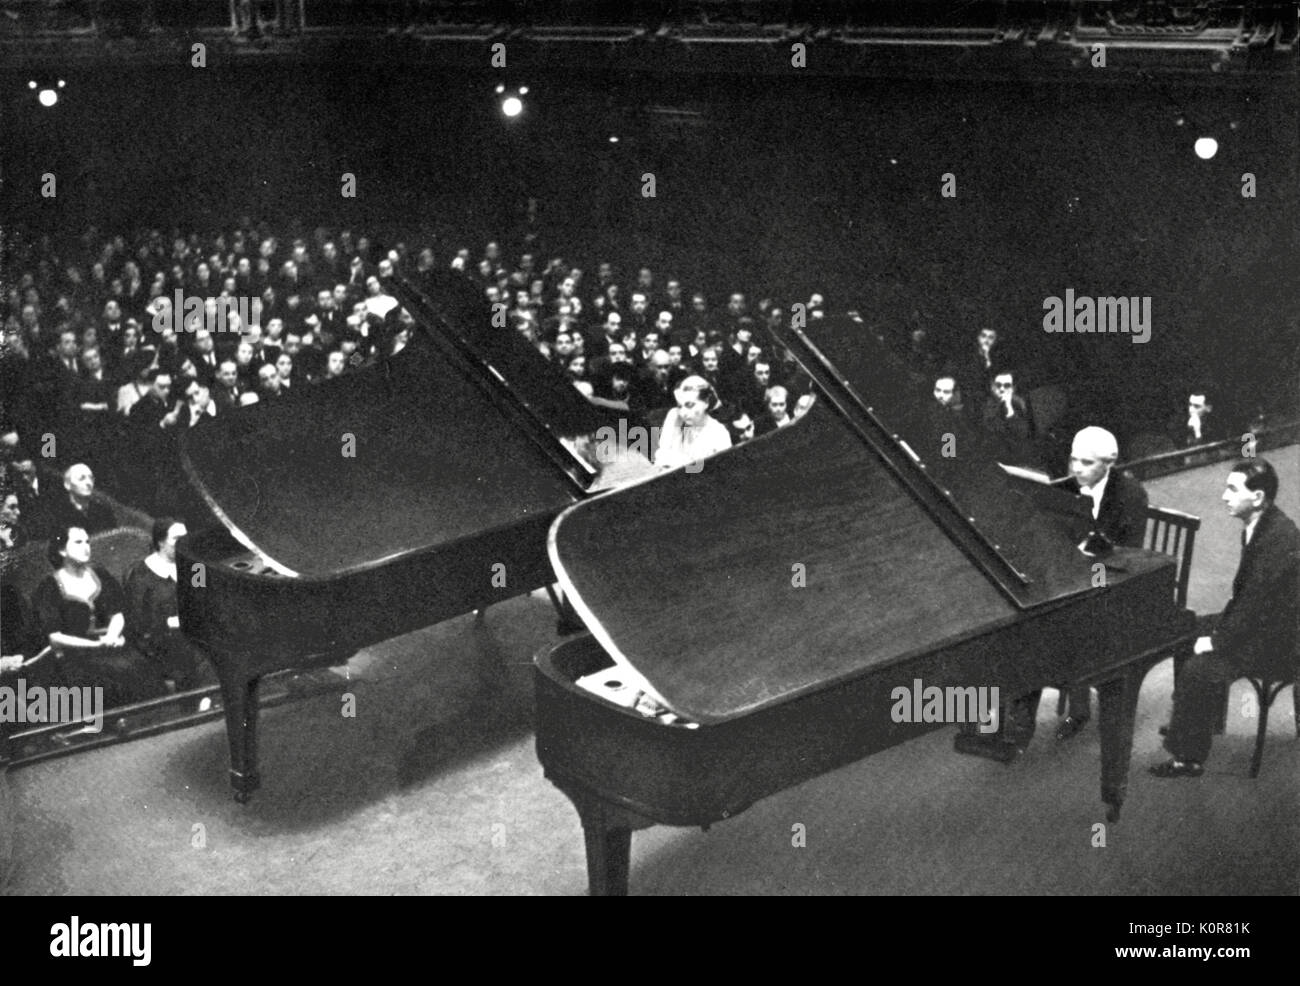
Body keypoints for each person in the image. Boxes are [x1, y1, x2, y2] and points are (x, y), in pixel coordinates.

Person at [1151, 459, 1299, 777]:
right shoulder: (1262, 525)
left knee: (1199, 668)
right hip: (1260, 624)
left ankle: (1187, 758)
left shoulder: (1279, 539)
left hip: (1278, 641)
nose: (1224, 496)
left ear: (1258, 497)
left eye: (1233, 489)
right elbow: (1250, 604)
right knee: (1186, 632)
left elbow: (1256, 608)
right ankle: (1194, 722)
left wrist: (1217, 640)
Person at [1055, 427, 1149, 740]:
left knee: (1074, 620)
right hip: (1080, 580)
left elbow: (1128, 554)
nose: (1076, 468)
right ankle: (1038, 714)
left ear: (1107, 465)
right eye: (1073, 460)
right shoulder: (1067, 489)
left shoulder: (1130, 494)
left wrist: (1086, 557)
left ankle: (1081, 707)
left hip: (1120, 584)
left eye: (1086, 462)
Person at [29, 525, 166, 708]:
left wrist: (111, 635)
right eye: (78, 542)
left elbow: (117, 613)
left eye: (87, 541)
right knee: (111, 677)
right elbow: (55, 637)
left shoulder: (99, 574)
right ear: (62, 550)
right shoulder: (49, 587)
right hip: (77, 655)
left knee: (140, 668)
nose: (86, 547)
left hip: (111, 646)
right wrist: (95, 644)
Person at [124, 518, 212, 692]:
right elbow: (138, 620)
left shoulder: (196, 567)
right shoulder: (140, 573)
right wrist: (171, 623)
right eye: (177, 538)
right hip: (158, 638)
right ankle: (200, 700)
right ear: (160, 542)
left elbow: (203, 599)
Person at [653, 376, 732, 471]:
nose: (683, 413)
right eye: (680, 406)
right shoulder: (674, 415)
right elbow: (661, 455)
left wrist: (677, 461)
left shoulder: (719, 434)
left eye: (689, 405)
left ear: (706, 402)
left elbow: (722, 473)